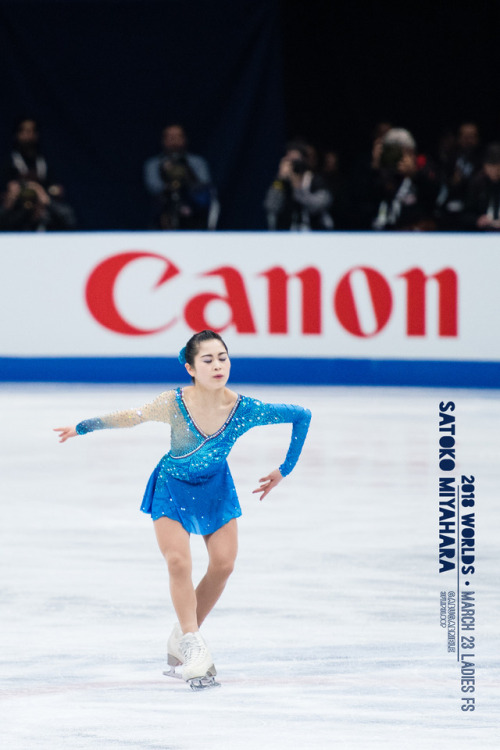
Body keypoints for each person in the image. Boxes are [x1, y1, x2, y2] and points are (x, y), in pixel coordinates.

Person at [54, 330, 311, 691]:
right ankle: (193, 642)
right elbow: (133, 416)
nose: (218, 365)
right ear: (191, 368)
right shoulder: (173, 403)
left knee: (223, 565)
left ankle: (181, 636)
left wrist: (284, 469)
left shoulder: (244, 409)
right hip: (171, 487)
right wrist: (83, 427)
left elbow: (302, 415)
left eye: (223, 357)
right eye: (208, 360)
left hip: (215, 488)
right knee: (178, 562)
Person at [143, 124, 218, 230]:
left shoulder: (197, 162)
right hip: (163, 213)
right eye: (170, 137)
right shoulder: (153, 164)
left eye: (178, 137)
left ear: (184, 139)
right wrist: (169, 183)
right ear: (163, 140)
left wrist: (186, 174)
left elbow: (205, 185)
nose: (174, 141)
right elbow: (154, 187)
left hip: (194, 214)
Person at [264, 141, 333, 230]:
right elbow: (271, 206)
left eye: (295, 161)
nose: (293, 165)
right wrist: (279, 179)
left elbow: (315, 207)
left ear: (305, 160)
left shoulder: (316, 181)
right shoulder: (282, 184)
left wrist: (297, 186)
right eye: (289, 161)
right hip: (286, 234)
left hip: (314, 234)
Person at [462, 142, 500, 231]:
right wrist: (477, 219)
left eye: (498, 169)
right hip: (483, 233)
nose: (496, 173)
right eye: (492, 169)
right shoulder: (477, 183)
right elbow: (466, 213)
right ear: (485, 167)